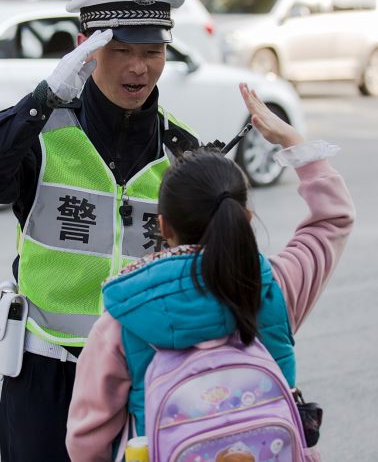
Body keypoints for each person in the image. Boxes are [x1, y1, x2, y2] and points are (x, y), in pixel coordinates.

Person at [0, 0, 201, 462]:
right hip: (48, 371)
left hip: (143, 373)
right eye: (121, 50)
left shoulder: (179, 149)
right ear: (86, 48)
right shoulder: (43, 133)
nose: (139, 67)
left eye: (152, 52)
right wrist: (44, 97)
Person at [65, 83, 355, 461]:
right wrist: (294, 142)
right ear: (246, 217)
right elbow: (332, 220)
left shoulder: (124, 316)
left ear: (163, 226)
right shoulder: (273, 286)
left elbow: (86, 439)